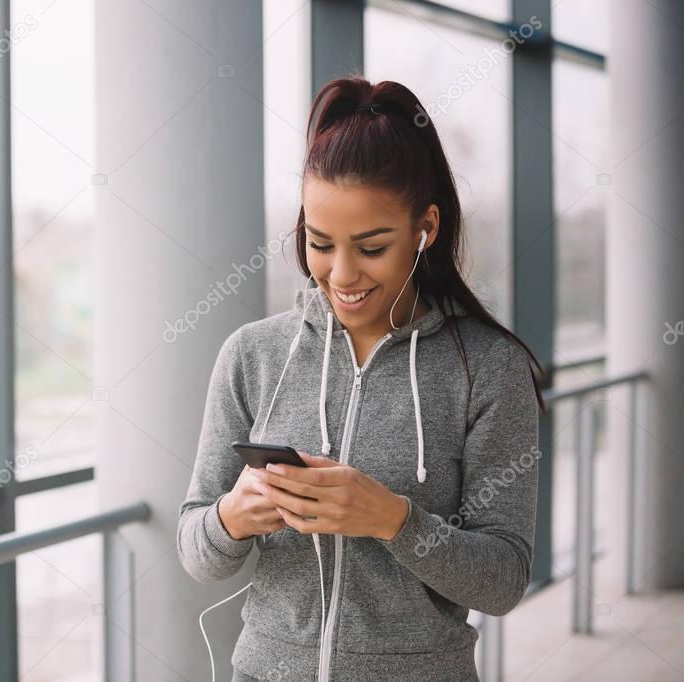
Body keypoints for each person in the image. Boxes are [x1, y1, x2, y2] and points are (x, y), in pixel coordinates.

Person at [176, 75, 546, 682]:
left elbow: (503, 580)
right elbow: (197, 551)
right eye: (320, 243)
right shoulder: (253, 355)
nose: (341, 274)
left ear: (424, 229)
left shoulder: (487, 370)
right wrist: (233, 517)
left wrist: (394, 520)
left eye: (372, 247)